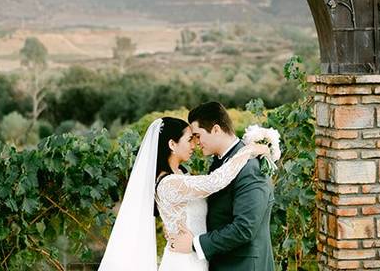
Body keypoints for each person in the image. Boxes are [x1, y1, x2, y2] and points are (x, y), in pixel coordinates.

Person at [98, 115, 269, 271]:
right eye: (189, 140)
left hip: (197, 256)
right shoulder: (170, 183)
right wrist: (247, 151)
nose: (194, 145)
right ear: (172, 144)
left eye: (196, 139)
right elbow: (215, 181)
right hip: (184, 261)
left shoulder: (181, 176)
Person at [170, 102, 276, 271]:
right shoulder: (221, 162)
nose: (196, 143)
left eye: (198, 135)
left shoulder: (250, 167)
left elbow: (244, 228)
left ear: (216, 129)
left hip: (243, 266)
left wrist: (195, 244)